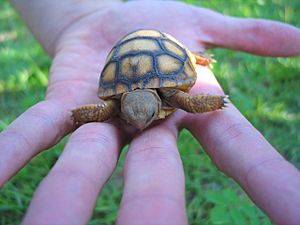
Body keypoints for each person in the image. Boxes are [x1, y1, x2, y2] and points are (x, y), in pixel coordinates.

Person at [1, 0, 300, 224]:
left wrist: (211, 101)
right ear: (125, 106)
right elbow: (104, 110)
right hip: (130, 57)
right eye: (132, 118)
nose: (138, 124)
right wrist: (78, 114)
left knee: (181, 90)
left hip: (161, 50)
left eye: (142, 117)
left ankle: (195, 57)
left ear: (158, 105)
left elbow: (189, 102)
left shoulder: (172, 93)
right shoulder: (116, 104)